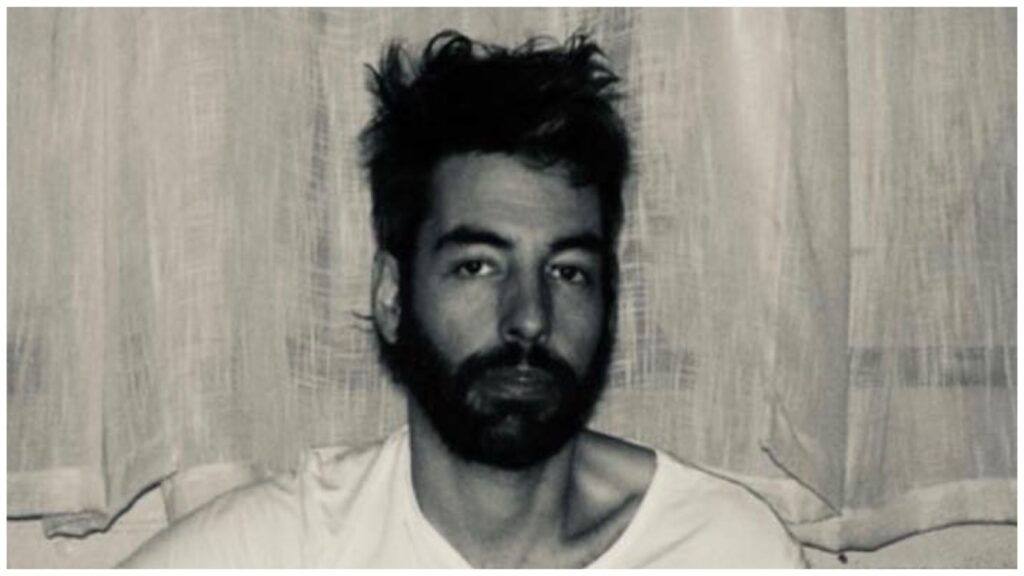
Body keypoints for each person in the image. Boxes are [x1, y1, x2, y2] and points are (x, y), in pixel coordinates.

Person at [121, 30, 805, 569]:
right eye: (478, 267)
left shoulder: (726, 550)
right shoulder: (282, 550)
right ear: (392, 295)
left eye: (567, 271)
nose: (529, 317)